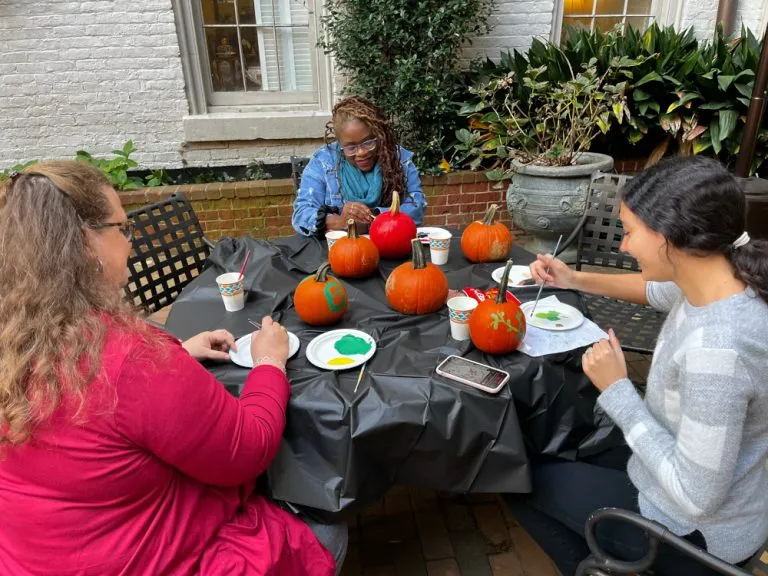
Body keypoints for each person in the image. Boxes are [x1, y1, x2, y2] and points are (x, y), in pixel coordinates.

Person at [0, 162, 347, 575]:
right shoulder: (135, 358)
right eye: (122, 229)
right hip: (145, 560)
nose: (132, 244)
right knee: (327, 533)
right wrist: (270, 361)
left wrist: (179, 351)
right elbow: (247, 448)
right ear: (83, 244)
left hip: (36, 557)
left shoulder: (16, 338)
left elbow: (90, 405)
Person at [506, 156, 768, 575]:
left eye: (629, 232)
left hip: (697, 535)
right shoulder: (725, 277)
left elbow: (696, 496)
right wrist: (572, 278)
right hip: (698, 477)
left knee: (519, 481)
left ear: (671, 238)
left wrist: (618, 391)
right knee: (570, 440)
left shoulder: (718, 350)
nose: (622, 245)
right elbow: (654, 291)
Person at [292, 95, 426, 237]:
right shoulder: (323, 162)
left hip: (389, 242)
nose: (361, 152)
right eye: (351, 147)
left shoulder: (398, 159)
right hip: (335, 250)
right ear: (340, 144)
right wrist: (341, 222)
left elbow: (417, 206)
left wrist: (373, 217)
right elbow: (301, 214)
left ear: (378, 135)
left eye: (368, 142)